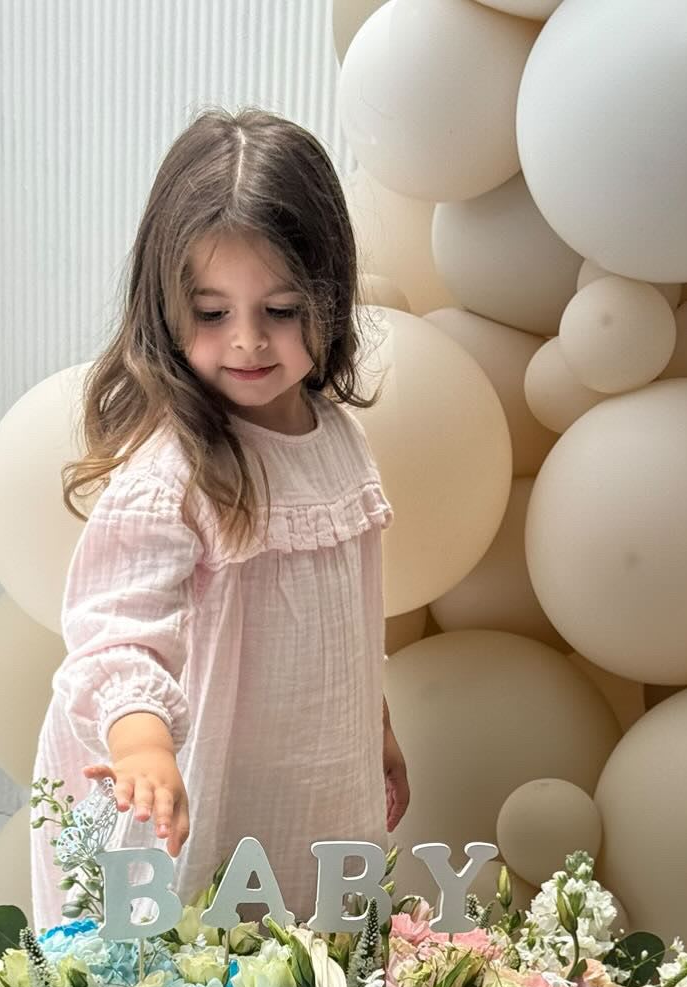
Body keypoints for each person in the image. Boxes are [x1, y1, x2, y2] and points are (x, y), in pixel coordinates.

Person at [29, 106, 410, 932]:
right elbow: (120, 635)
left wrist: (374, 727)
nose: (247, 342)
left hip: (314, 770)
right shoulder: (176, 471)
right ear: (166, 308)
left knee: (304, 959)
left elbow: (348, 622)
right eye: (211, 313)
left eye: (279, 310)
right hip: (196, 776)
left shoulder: (340, 441)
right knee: (205, 960)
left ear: (330, 298)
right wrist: (141, 748)